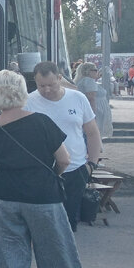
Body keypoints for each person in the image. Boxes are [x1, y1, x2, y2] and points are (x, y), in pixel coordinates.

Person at [0, 69, 101, 268]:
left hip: (4, 197)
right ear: (23, 91)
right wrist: (53, 175)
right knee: (58, 252)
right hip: (43, 196)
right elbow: (64, 159)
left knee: (11, 253)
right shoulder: (42, 121)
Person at [26, 61, 102, 233]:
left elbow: (92, 133)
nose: (46, 90)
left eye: (51, 85)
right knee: (44, 225)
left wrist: (92, 164)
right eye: (41, 86)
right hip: (42, 171)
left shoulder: (78, 98)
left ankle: (66, 257)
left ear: (60, 78)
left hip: (75, 169)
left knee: (68, 224)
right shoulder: (29, 102)